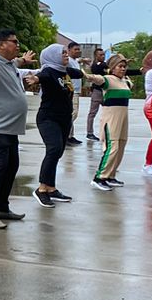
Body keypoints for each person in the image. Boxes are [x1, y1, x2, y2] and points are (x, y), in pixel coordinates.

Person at [0, 30, 41, 229]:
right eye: (15, 42)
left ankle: (2, 207)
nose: (18, 45)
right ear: (1, 45)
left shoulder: (10, 63)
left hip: (10, 128)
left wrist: (24, 60)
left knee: (11, 166)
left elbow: (17, 62)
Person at [33, 43, 106, 207]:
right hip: (48, 118)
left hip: (63, 119)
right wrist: (35, 79)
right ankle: (41, 189)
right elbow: (41, 77)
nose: (66, 55)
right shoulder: (48, 71)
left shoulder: (64, 71)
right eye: (63, 53)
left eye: (66, 52)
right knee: (53, 149)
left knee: (58, 151)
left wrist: (88, 74)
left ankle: (51, 188)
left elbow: (78, 73)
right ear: (52, 56)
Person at [90, 52, 134, 191]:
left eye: (124, 66)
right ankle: (99, 177)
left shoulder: (125, 81)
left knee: (121, 145)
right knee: (112, 147)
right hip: (111, 118)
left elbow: (129, 84)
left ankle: (110, 175)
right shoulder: (108, 79)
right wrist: (84, 75)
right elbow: (96, 79)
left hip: (123, 117)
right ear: (113, 68)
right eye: (120, 66)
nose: (123, 69)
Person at [62, 42, 85, 147]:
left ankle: (70, 136)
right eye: (75, 49)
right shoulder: (69, 61)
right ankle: (65, 135)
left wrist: (82, 60)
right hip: (71, 90)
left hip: (76, 90)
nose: (78, 51)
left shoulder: (75, 61)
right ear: (69, 50)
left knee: (72, 113)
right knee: (72, 114)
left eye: (78, 49)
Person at [84, 47, 108, 142]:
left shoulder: (105, 65)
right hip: (97, 92)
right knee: (92, 113)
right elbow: (98, 69)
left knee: (108, 112)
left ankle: (107, 132)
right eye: (100, 55)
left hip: (106, 91)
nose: (102, 56)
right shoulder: (96, 65)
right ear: (96, 56)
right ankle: (89, 133)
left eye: (103, 55)